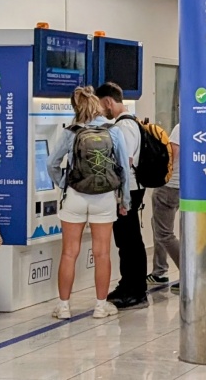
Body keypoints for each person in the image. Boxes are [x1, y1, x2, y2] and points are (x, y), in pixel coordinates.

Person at [48, 87, 132, 320]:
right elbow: (123, 168)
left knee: (69, 253)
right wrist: (124, 200)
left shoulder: (71, 131)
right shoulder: (113, 131)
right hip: (104, 198)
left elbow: (51, 164)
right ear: (98, 106)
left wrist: (65, 182)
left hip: (75, 196)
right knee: (102, 253)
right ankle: (100, 306)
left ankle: (64, 307)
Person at [96, 82, 148, 310]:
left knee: (129, 242)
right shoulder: (130, 123)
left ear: (108, 102)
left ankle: (135, 291)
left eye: (100, 106)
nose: (100, 111)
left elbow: (124, 163)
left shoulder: (124, 127)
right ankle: (128, 284)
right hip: (130, 188)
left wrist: (123, 199)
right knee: (127, 241)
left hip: (129, 190)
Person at [148, 123, 182, 290]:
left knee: (164, 234)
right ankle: (159, 271)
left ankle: (189, 274)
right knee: (158, 226)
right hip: (184, 187)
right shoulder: (203, 126)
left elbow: (172, 155)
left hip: (169, 186)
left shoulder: (180, 127)